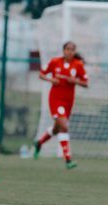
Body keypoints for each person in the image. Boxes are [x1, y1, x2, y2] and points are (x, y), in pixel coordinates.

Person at [34, 41, 88, 169]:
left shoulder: (78, 65)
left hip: (69, 101)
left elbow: (85, 83)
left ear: (74, 52)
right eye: (67, 49)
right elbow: (41, 74)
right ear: (63, 50)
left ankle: (39, 142)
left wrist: (74, 80)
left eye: (72, 50)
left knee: (57, 128)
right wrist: (51, 79)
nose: (70, 51)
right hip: (56, 99)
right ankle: (68, 160)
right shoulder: (54, 62)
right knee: (64, 127)